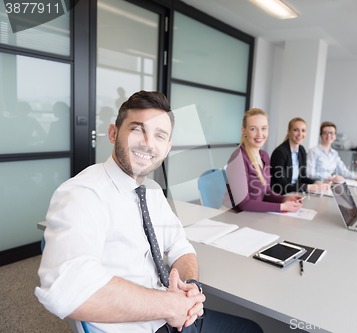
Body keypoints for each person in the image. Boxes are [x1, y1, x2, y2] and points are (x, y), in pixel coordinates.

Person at [35, 91, 262, 333]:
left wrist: (190, 287)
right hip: (137, 326)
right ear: (113, 133)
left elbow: (180, 247)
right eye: (137, 129)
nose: (147, 142)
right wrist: (169, 306)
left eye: (160, 135)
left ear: (167, 148)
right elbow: (67, 288)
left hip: (173, 316)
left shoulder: (151, 190)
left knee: (252, 329)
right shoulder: (83, 193)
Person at [223, 108, 303, 212]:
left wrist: (284, 199)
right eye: (253, 129)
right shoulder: (238, 159)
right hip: (236, 216)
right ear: (244, 131)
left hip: (254, 214)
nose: (260, 134)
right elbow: (244, 204)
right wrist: (282, 207)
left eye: (264, 128)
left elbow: (266, 192)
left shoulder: (264, 156)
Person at [270, 118, 330, 195]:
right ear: (289, 132)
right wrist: (309, 187)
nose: (300, 134)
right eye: (296, 130)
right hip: (282, 194)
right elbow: (282, 185)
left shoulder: (301, 150)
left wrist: (316, 183)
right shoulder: (279, 153)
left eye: (303, 130)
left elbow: (302, 177)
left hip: (296, 192)